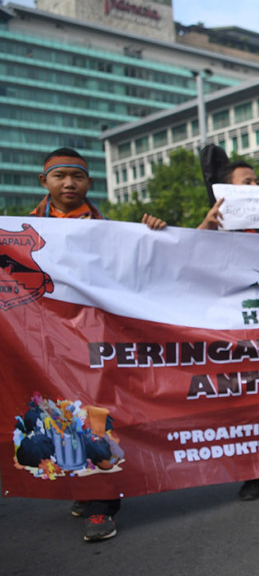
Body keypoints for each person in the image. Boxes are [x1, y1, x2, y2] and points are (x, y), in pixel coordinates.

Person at [31, 147, 167, 542]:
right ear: (45, 182)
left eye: (77, 176)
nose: (69, 183)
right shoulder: (21, 230)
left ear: (89, 183)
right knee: (58, 413)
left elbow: (140, 266)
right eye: (60, 176)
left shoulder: (111, 230)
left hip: (94, 337)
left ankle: (101, 504)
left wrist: (152, 235)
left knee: (95, 414)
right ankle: (84, 487)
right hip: (46, 340)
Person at [198, 145, 259, 500]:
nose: (256, 187)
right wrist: (207, 225)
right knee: (249, 399)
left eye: (258, 181)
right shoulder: (219, 226)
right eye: (247, 182)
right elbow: (188, 258)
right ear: (229, 191)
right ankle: (255, 472)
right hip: (241, 331)